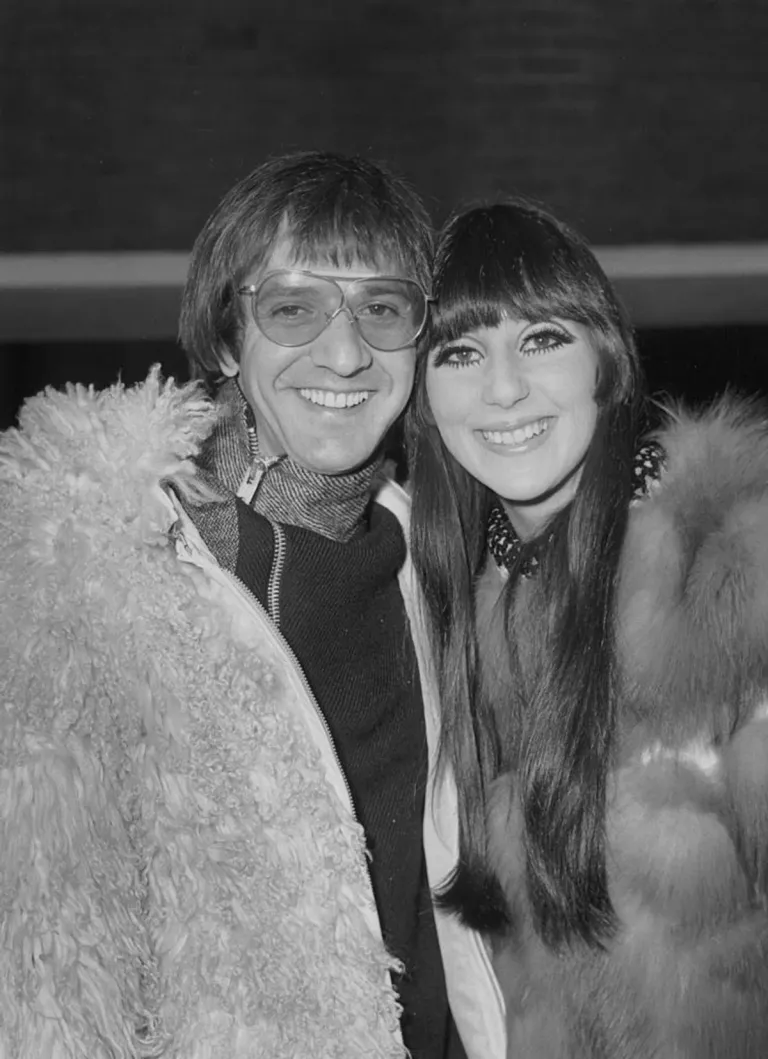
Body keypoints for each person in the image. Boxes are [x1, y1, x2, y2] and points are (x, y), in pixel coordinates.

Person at [0, 153, 506, 1058]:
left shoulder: (428, 558)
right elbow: (47, 965)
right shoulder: (111, 567)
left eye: (383, 308)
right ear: (230, 339)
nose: (346, 352)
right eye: (293, 307)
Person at [407, 199, 768, 1058]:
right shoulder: (457, 609)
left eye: (541, 339)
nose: (502, 389)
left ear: (605, 358)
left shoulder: (726, 567)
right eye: (461, 352)